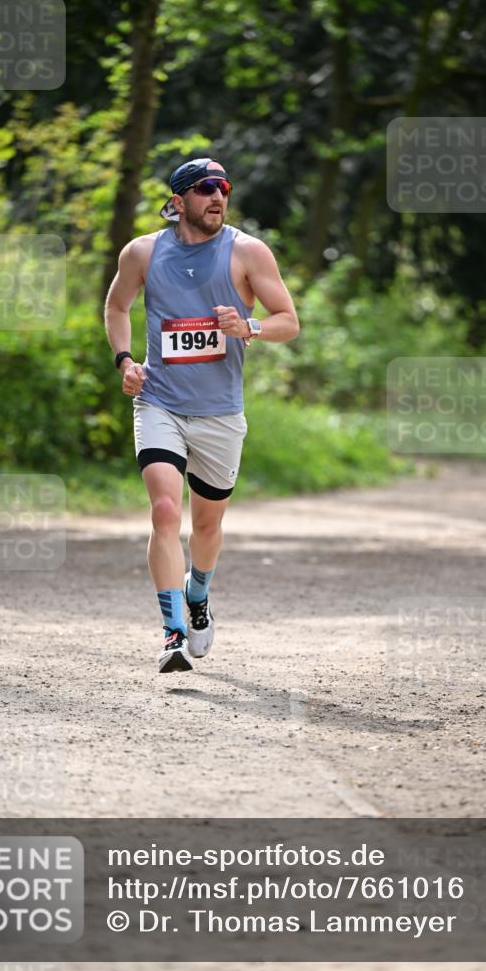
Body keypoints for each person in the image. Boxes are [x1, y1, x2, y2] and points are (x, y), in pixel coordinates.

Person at [104, 158, 299, 673]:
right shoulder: (143, 253)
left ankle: (198, 593)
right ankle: (172, 634)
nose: (218, 196)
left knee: (207, 526)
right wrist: (125, 361)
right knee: (166, 511)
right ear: (178, 201)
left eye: (224, 188)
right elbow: (117, 307)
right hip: (159, 401)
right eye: (206, 188)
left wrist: (249, 327)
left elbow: (289, 321)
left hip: (219, 414)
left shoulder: (248, 252)